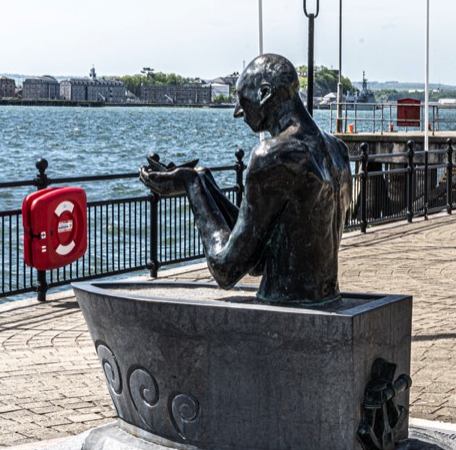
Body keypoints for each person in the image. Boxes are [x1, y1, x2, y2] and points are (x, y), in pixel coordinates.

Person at [139, 53, 352, 304]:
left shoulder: (273, 155)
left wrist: (191, 185)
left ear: (264, 93)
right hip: (325, 299)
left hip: (285, 308)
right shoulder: (338, 149)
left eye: (242, 99)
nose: (237, 113)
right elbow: (260, 258)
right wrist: (207, 185)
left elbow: (225, 269)